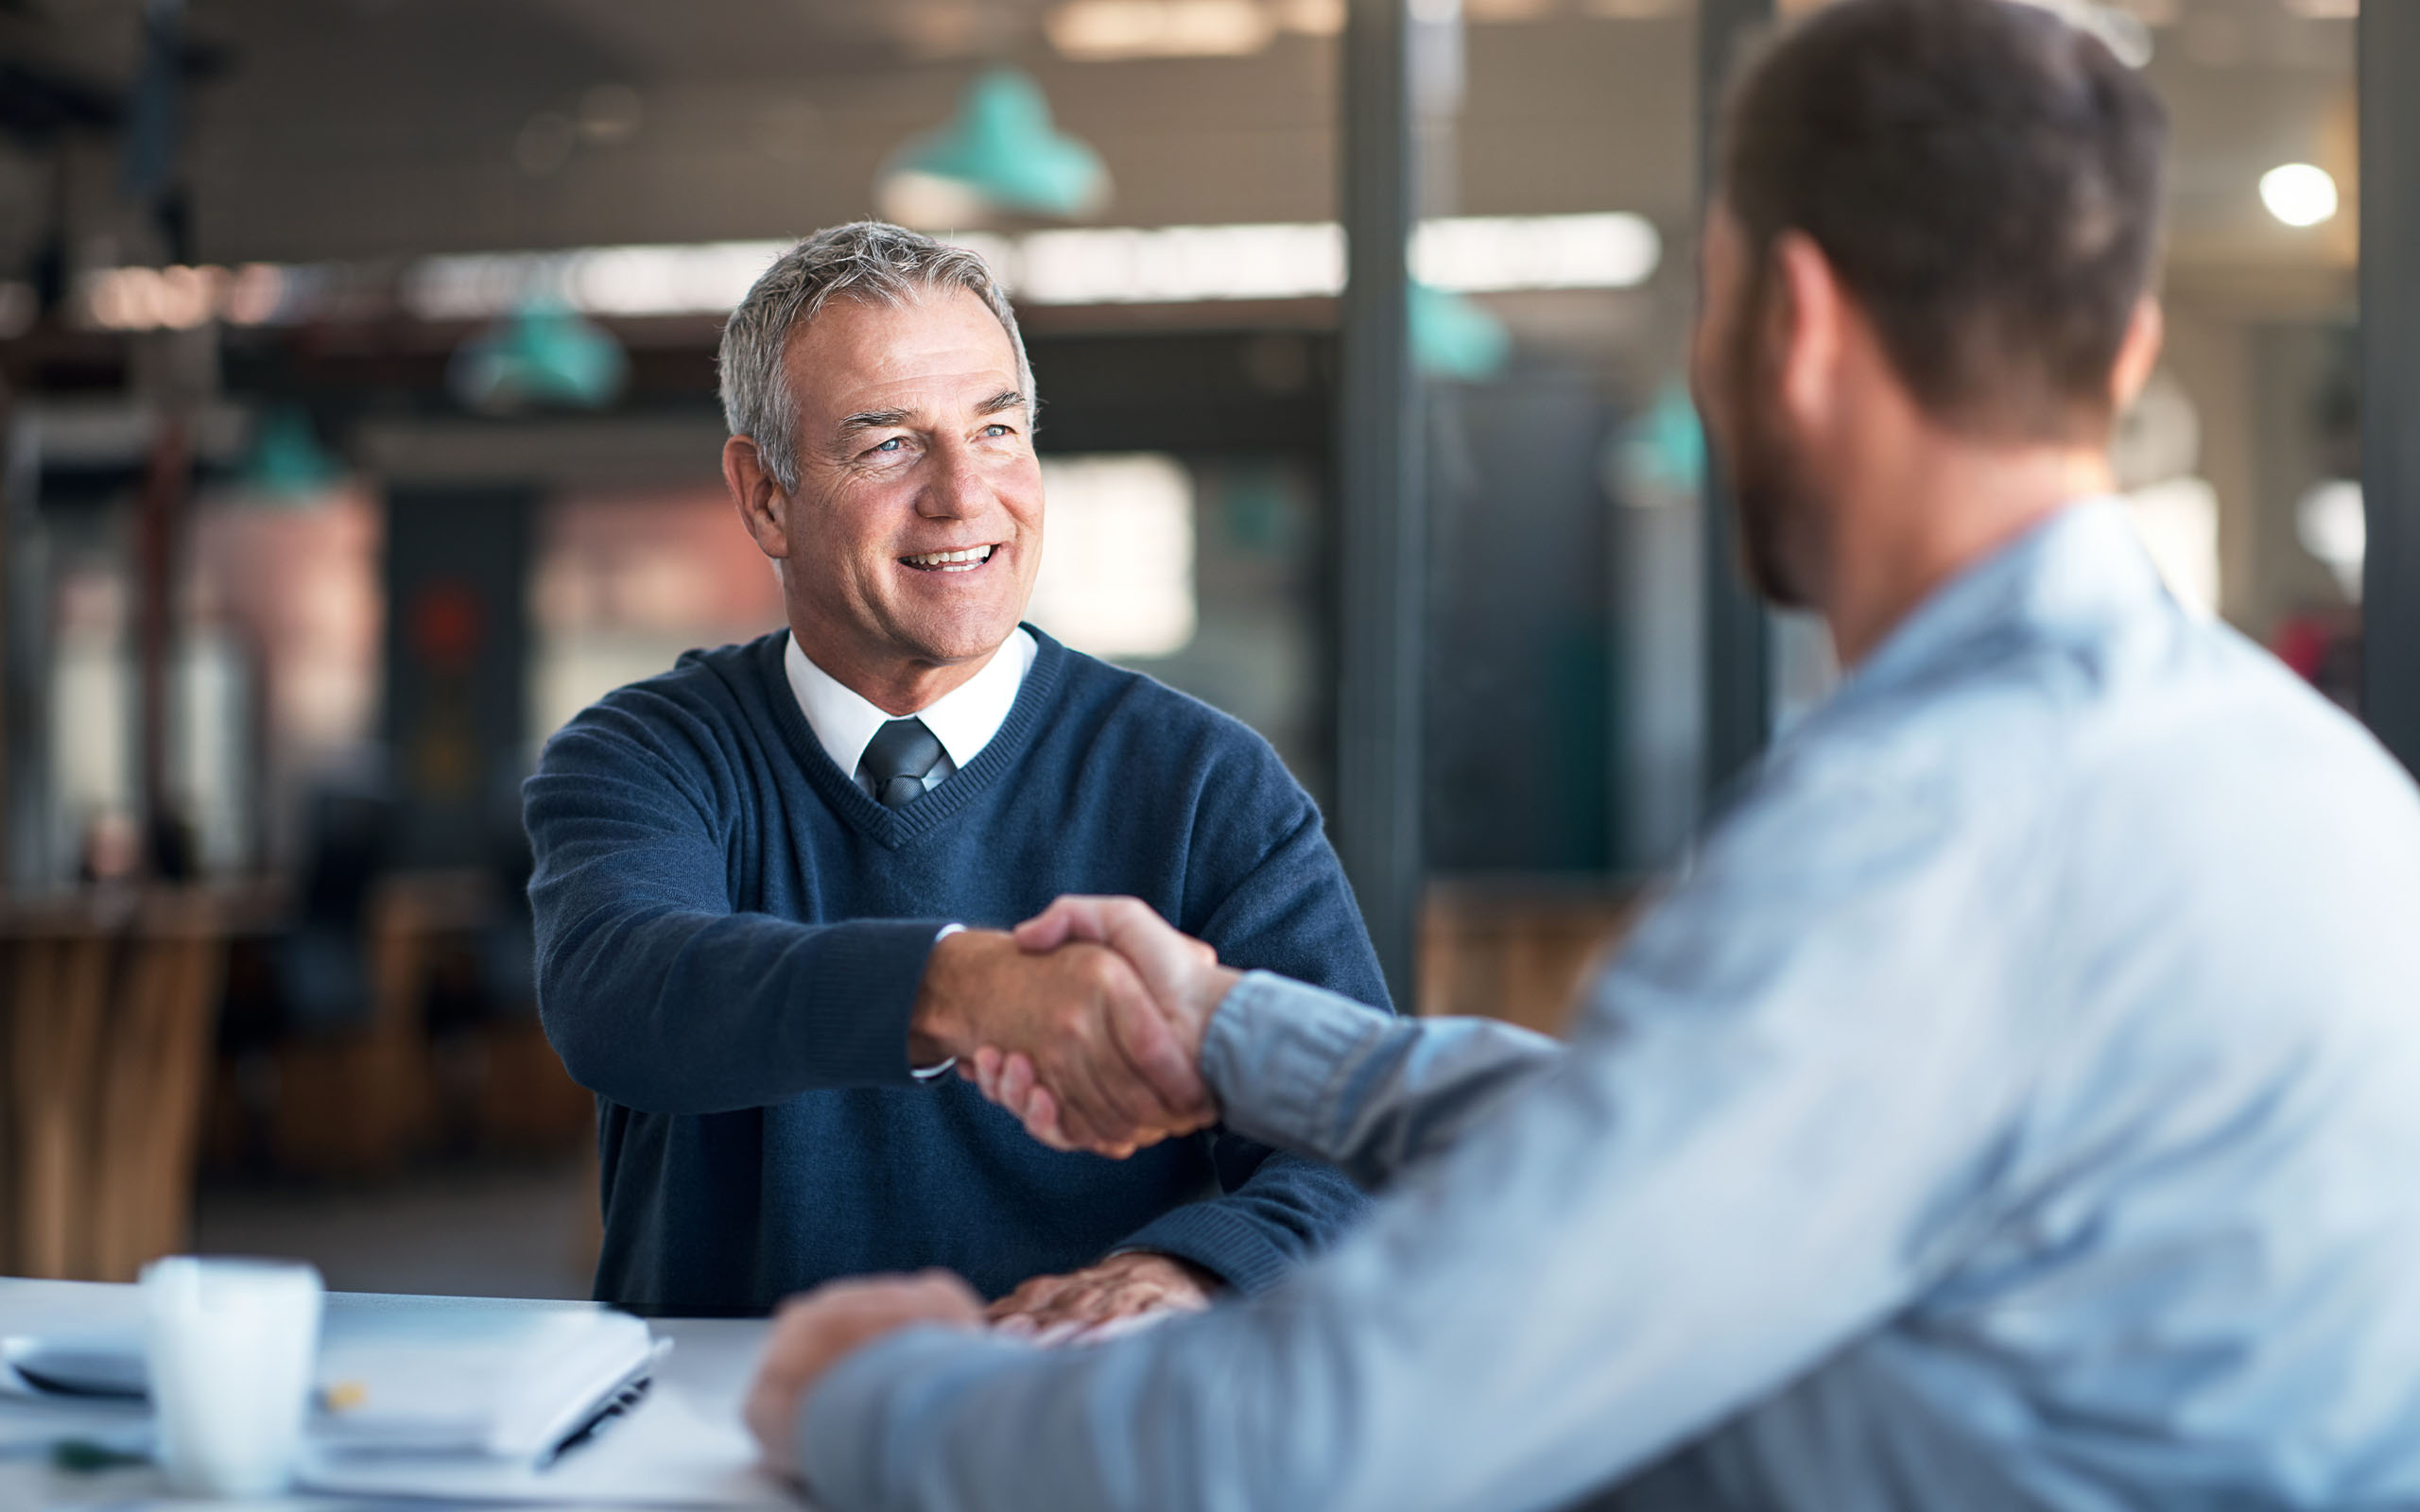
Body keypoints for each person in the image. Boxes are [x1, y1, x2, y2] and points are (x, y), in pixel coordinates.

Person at [738, 2, 2420, 1506]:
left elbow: (1320, 1441)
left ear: (1795, 323)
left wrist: (881, 1397)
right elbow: (1661, 1141)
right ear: (2123, 355)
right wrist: (1243, 1034)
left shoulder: (1919, 829)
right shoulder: (2303, 776)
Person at [522, 221, 1390, 1328]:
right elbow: (622, 994)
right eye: (888, 444)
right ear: (766, 496)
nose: (962, 494)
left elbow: (1353, 1144)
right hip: (720, 1437)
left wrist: (1196, 1270)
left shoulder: (1204, 785)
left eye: (996, 429)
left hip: (1079, 1424)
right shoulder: (647, 755)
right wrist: (965, 986)